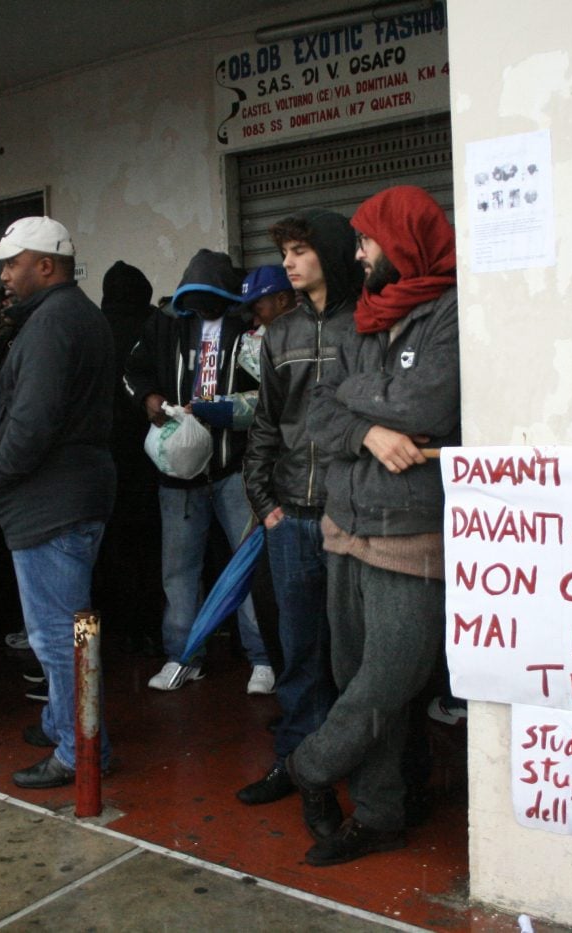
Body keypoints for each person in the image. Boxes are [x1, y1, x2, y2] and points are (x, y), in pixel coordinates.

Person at [288, 185, 459, 866]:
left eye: (366, 241)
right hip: (346, 523)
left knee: (389, 677)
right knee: (351, 668)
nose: (357, 255)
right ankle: (382, 813)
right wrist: (369, 431)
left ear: (403, 240)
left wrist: (361, 410)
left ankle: (306, 766)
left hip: (409, 529)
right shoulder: (366, 316)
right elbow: (315, 417)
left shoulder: (448, 314)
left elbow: (431, 401)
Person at [0, 216, 116, 790]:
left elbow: (33, 421)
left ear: (46, 264)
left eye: (13, 262)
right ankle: (65, 723)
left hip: (51, 503)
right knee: (66, 632)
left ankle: (79, 750)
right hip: (68, 494)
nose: (5, 275)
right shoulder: (70, 316)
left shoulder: (52, 324)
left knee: (58, 638)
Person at [238, 212, 361, 807]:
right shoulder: (279, 333)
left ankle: (355, 769)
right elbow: (265, 425)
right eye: (284, 251)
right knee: (297, 652)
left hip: (350, 518)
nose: (288, 262)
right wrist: (264, 503)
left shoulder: (369, 323)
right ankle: (296, 764)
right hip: (291, 516)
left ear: (330, 254)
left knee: (354, 656)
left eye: (299, 250)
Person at [123, 249, 273, 694]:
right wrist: (149, 399)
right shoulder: (167, 322)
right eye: (198, 298)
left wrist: (223, 411)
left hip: (235, 467)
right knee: (179, 569)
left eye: (213, 298)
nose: (204, 307)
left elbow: (267, 393)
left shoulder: (250, 327)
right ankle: (183, 655)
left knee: (245, 566)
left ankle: (262, 658)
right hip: (180, 474)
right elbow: (133, 371)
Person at [93, 261, 162, 657]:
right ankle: (151, 625)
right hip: (151, 453)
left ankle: (119, 626)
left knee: (114, 545)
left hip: (106, 455)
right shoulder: (155, 326)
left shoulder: (94, 328)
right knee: (152, 543)